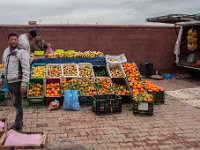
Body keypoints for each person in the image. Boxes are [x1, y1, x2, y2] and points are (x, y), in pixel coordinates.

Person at [0, 33, 30, 132]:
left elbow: (26, 69)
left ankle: (18, 125)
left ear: (17, 41)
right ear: (8, 41)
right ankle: (19, 122)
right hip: (9, 82)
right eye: (11, 40)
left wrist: (24, 83)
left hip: (18, 82)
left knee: (18, 104)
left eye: (15, 40)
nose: (13, 41)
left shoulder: (22, 52)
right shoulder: (6, 51)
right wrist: (1, 79)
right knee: (15, 103)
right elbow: (4, 66)